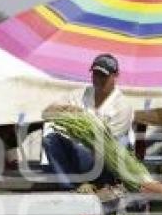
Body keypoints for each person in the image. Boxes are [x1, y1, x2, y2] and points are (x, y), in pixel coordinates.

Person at [42, 53, 135, 188]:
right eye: (95, 74)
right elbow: (46, 114)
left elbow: (108, 142)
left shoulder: (122, 106)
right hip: (79, 154)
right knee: (50, 139)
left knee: (119, 142)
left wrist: (85, 122)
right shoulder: (80, 95)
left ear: (115, 76)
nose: (98, 79)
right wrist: (67, 109)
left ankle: (106, 183)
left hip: (105, 160)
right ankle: (73, 187)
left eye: (104, 75)